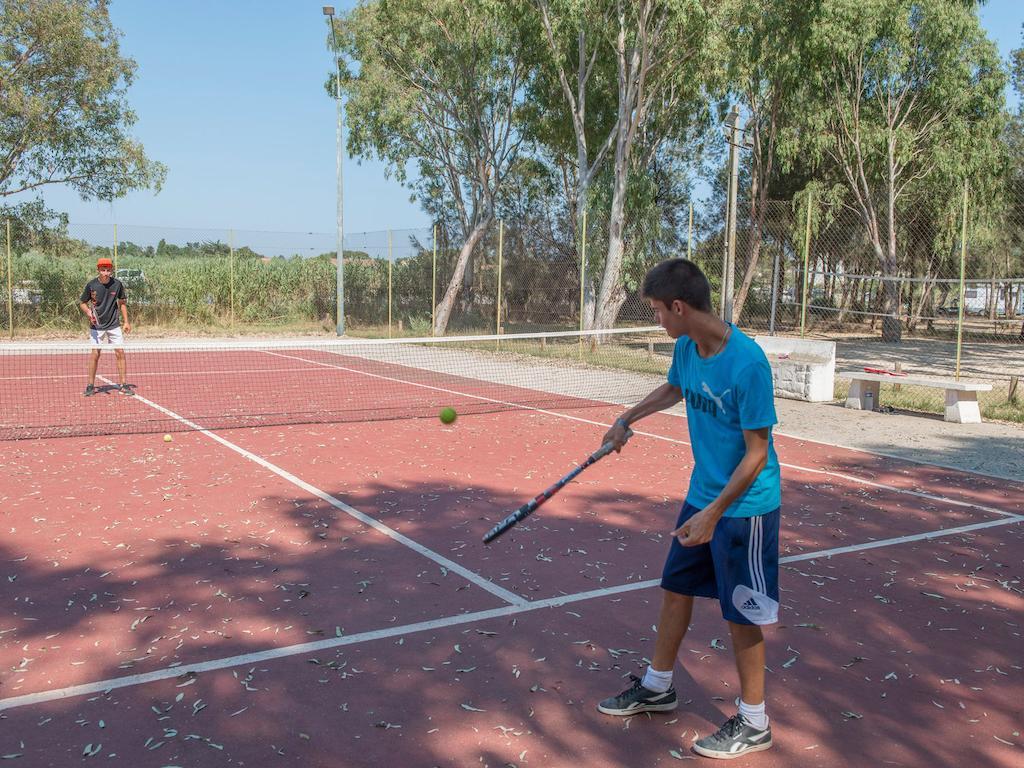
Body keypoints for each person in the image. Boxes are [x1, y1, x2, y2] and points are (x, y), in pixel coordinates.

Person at [596, 258, 780, 760]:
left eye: (658, 311)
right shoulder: (686, 348)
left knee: (742, 613)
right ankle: (659, 686)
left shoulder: (748, 364)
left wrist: (715, 513)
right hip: (704, 496)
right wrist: (626, 419)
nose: (657, 320)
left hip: (746, 506)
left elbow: (757, 453)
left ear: (679, 306)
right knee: (676, 588)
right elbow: (676, 387)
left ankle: (754, 721)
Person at [80, 257, 133, 396]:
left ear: (111, 270)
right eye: (103, 270)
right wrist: (88, 312)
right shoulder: (91, 285)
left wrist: (126, 322)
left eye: (108, 270)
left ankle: (123, 384)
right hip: (96, 326)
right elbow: (83, 303)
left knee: (120, 352)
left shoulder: (117, 284)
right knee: (95, 354)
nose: (105, 272)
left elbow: (121, 303)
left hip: (113, 324)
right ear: (98, 270)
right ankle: (90, 385)